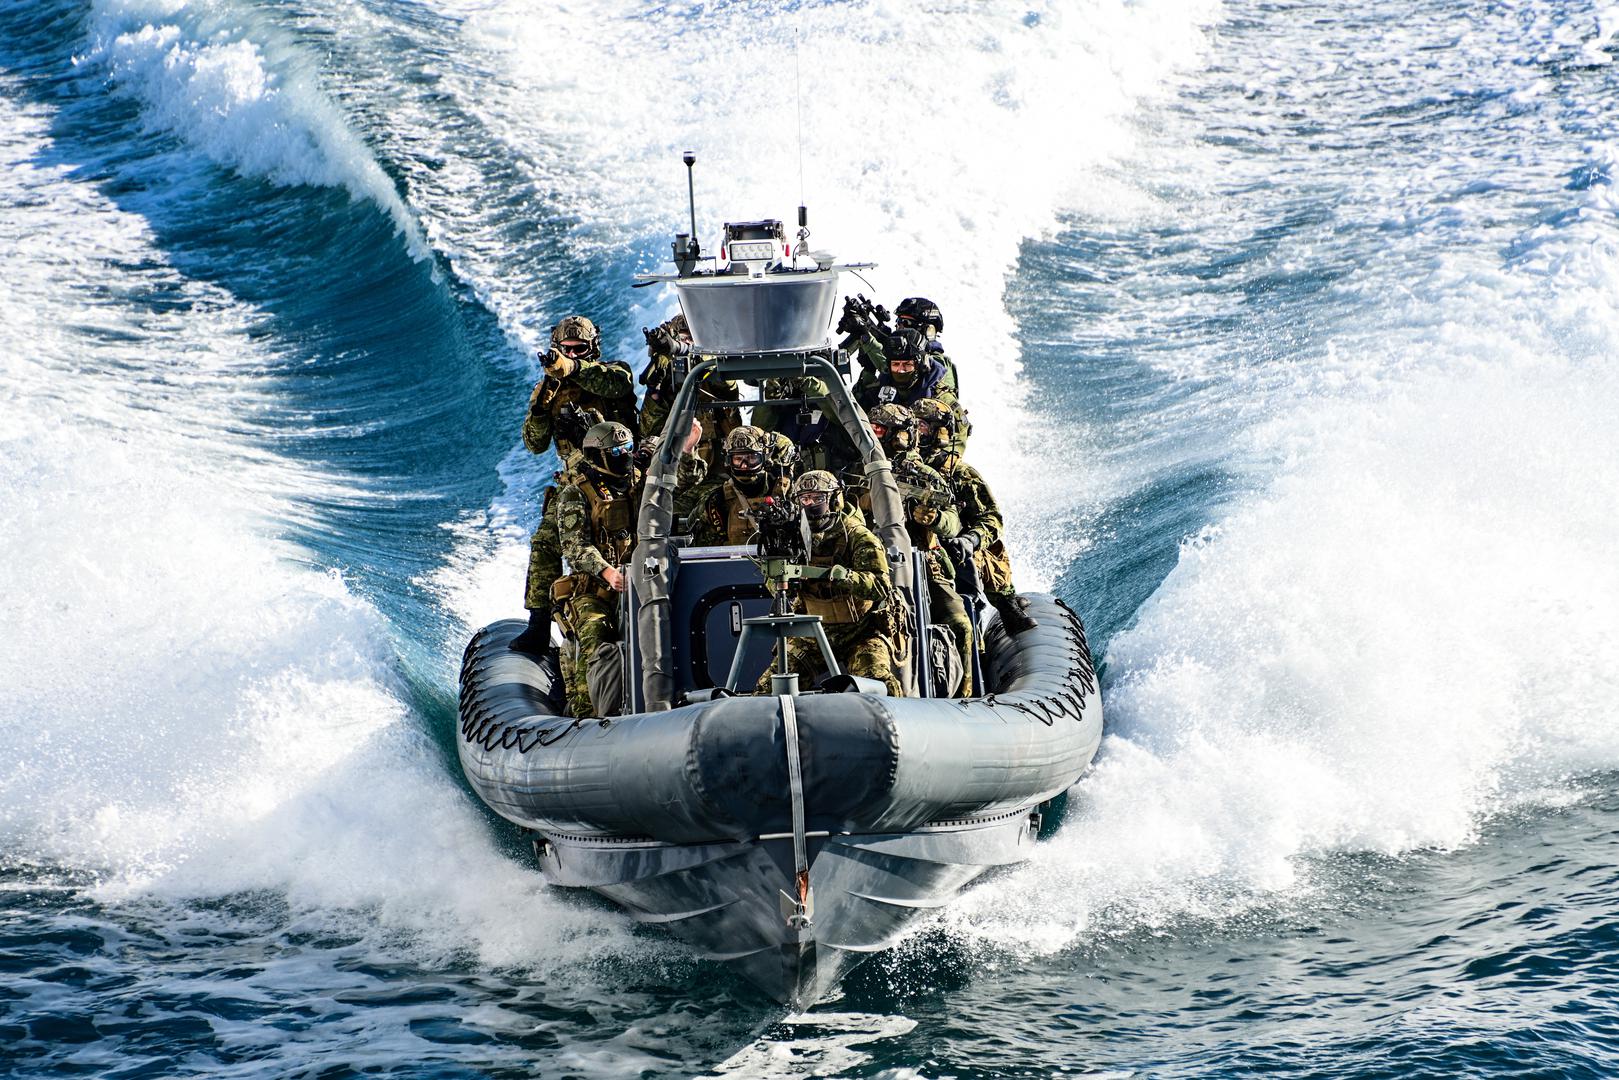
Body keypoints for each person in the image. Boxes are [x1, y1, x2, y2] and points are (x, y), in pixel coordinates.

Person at [758, 471, 904, 697]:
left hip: (861, 632)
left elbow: (881, 586)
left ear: (834, 500)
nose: (810, 505)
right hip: (814, 634)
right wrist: (788, 583)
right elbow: (772, 580)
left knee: (879, 685)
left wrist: (845, 577)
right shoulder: (790, 537)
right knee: (769, 688)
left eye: (818, 499)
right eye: (804, 499)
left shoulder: (857, 535)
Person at [865, 403, 975, 695]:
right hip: (871, 563)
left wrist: (934, 518)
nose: (878, 437)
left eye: (883, 432)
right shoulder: (861, 473)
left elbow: (953, 522)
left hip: (924, 564)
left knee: (959, 623)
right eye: (873, 431)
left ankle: (966, 694)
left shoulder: (925, 476)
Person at [910, 397, 1038, 637]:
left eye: (923, 426)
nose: (917, 433)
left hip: (953, 548)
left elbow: (991, 520)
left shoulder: (960, 474)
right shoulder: (900, 467)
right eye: (914, 426)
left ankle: (1006, 605)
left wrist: (970, 540)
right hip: (912, 549)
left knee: (982, 555)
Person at [523, 316, 638, 460]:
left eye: (580, 348)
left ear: (592, 347)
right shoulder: (550, 390)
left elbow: (618, 386)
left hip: (624, 461)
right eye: (566, 349)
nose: (572, 354)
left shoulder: (615, 371)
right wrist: (540, 411)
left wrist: (573, 367)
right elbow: (535, 446)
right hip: (581, 475)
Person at [639, 312, 738, 468]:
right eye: (683, 340)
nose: (688, 344)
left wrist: (695, 358)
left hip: (727, 460)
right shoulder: (668, 377)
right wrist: (655, 394)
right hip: (687, 464)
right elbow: (649, 431)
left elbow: (729, 389)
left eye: (692, 339)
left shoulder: (715, 365)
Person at [682, 425, 796, 545]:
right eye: (738, 459)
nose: (744, 465)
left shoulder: (785, 492)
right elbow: (703, 550)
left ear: (764, 459)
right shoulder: (716, 502)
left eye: (751, 458)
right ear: (729, 461)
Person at [751, 374, 860, 478]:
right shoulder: (783, 413)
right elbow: (759, 432)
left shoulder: (838, 416)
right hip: (790, 484)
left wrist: (807, 382)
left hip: (830, 483)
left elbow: (835, 405)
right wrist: (771, 396)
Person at [854, 328, 959, 417]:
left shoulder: (940, 396)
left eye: (907, 365)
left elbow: (959, 436)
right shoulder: (879, 389)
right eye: (895, 364)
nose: (901, 370)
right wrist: (868, 372)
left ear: (920, 366)